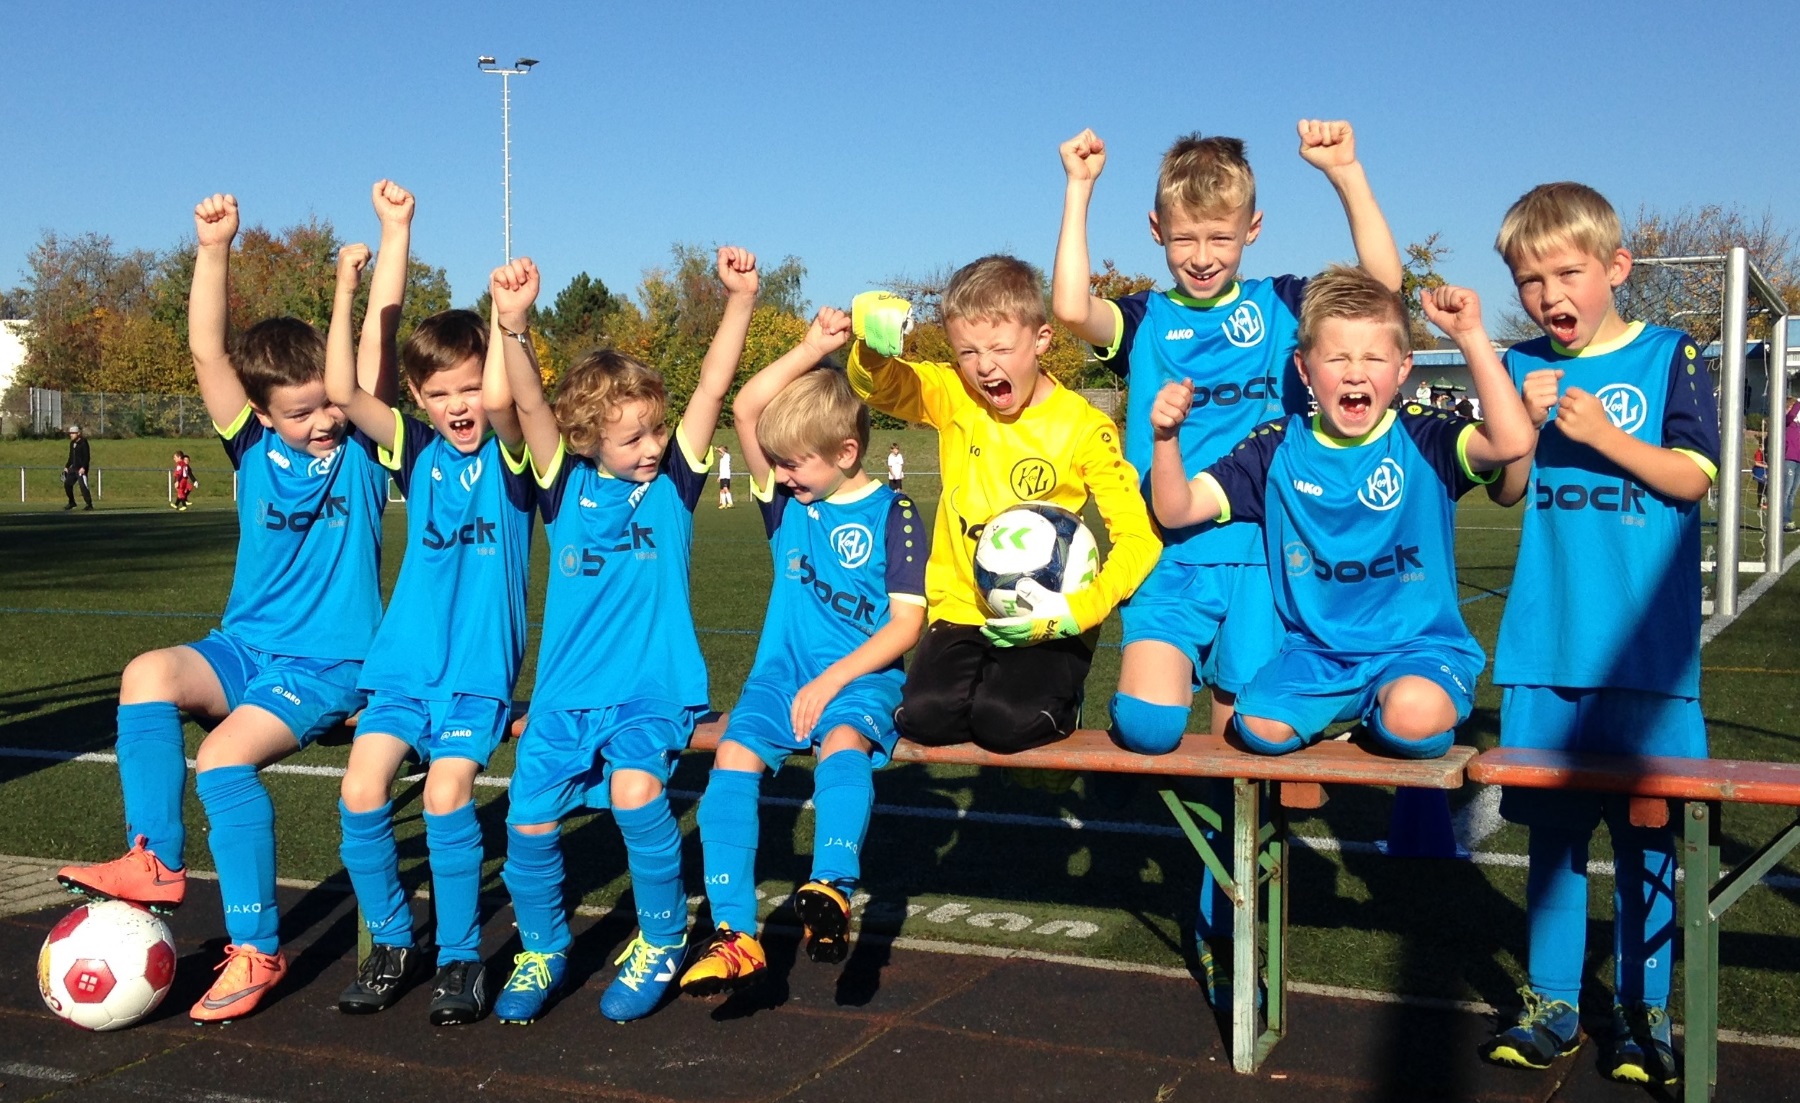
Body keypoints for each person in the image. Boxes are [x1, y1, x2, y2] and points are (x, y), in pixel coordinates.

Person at [56, 191, 393, 1023]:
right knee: (147, 673)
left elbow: (375, 348)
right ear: (263, 415)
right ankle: (155, 859)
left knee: (225, 759)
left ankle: (256, 948)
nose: (321, 420)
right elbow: (209, 350)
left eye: (327, 403)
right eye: (300, 411)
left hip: (331, 664)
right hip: (243, 646)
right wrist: (214, 249)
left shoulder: (363, 454)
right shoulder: (249, 449)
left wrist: (390, 241)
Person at [1052, 121, 1400, 761]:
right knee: (1149, 728)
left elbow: (1380, 288)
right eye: (1184, 237)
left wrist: (1345, 172)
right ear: (1157, 232)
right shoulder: (1144, 319)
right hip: (1167, 555)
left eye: (1221, 236)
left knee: (1239, 746)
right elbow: (1072, 309)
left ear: (1253, 230)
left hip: (1265, 556)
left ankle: (1227, 864)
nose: (1203, 254)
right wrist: (1079, 188)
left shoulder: (1283, 305)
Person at [1477, 182, 1719, 1086]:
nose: (1549, 296)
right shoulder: (1520, 365)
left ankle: (1644, 1009)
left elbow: (1691, 478)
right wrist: (1525, 429)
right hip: (1546, 644)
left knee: (1652, 836)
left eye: (1567, 272)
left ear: (1615, 268)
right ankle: (1551, 1005)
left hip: (1647, 658)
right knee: (1553, 834)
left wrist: (1600, 434)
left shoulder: (1668, 355)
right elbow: (1505, 491)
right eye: (1530, 280)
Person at [489, 245, 756, 1025]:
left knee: (640, 791)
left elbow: (712, 384)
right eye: (632, 435)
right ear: (587, 438)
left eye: (654, 429)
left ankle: (663, 935)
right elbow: (533, 406)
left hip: (652, 690)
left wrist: (738, 301)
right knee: (527, 821)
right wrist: (514, 326)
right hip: (567, 695)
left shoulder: (673, 485)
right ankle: (542, 945)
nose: (650, 445)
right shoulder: (563, 485)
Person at [1149, 267, 1531, 762]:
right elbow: (1176, 510)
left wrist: (1470, 335)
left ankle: (1386, 723)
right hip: (1315, 653)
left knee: (1412, 714)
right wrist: (1165, 438)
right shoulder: (1277, 446)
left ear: (1402, 368)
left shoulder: (1423, 436)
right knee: (1258, 727)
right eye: (1337, 358)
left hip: (1416, 649)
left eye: (1374, 357)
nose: (1356, 372)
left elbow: (1513, 441)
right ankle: (1356, 719)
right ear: (1305, 370)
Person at [324, 185, 537, 1026]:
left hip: (477, 672)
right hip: (405, 664)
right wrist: (360, 275)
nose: (459, 406)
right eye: (439, 393)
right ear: (418, 400)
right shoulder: (414, 452)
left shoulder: (516, 460)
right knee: (360, 790)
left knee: (448, 794)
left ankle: (457, 959)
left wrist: (503, 312)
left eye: (467, 389)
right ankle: (390, 942)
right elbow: (342, 388)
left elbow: (503, 400)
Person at [680, 309, 928, 995]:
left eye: (795, 462)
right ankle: (735, 935)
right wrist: (814, 347)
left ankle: (832, 887)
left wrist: (833, 681)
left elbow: (907, 624)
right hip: (777, 676)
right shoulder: (789, 505)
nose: (782, 474)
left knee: (844, 739)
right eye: (779, 462)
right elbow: (748, 404)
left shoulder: (895, 513)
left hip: (862, 679)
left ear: (846, 452)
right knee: (731, 756)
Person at [846, 255, 1159, 753]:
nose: (984, 365)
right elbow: (879, 386)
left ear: (1041, 341)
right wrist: (870, 346)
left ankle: (1060, 702)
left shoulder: (1082, 426)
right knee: (922, 718)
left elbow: (1138, 537)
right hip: (961, 609)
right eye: (967, 351)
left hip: (1050, 617)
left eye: (999, 347)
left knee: (1006, 723)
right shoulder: (956, 394)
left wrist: (1081, 611)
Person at [63, 425, 93, 510]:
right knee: (67, 484)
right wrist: (67, 466)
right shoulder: (72, 443)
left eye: (73, 433)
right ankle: (72, 502)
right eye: (70, 433)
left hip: (81, 469)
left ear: (78, 433)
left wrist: (84, 467)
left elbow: (87, 457)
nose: (71, 435)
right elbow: (71, 456)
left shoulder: (83, 443)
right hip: (73, 468)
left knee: (83, 486)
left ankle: (89, 504)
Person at [1784, 395, 1798, 532]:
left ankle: (1787, 519)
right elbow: (1790, 416)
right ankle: (1783, 520)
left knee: (1792, 493)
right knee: (1786, 491)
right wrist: (1797, 403)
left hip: (1798, 460)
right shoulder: (1786, 422)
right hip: (1789, 459)